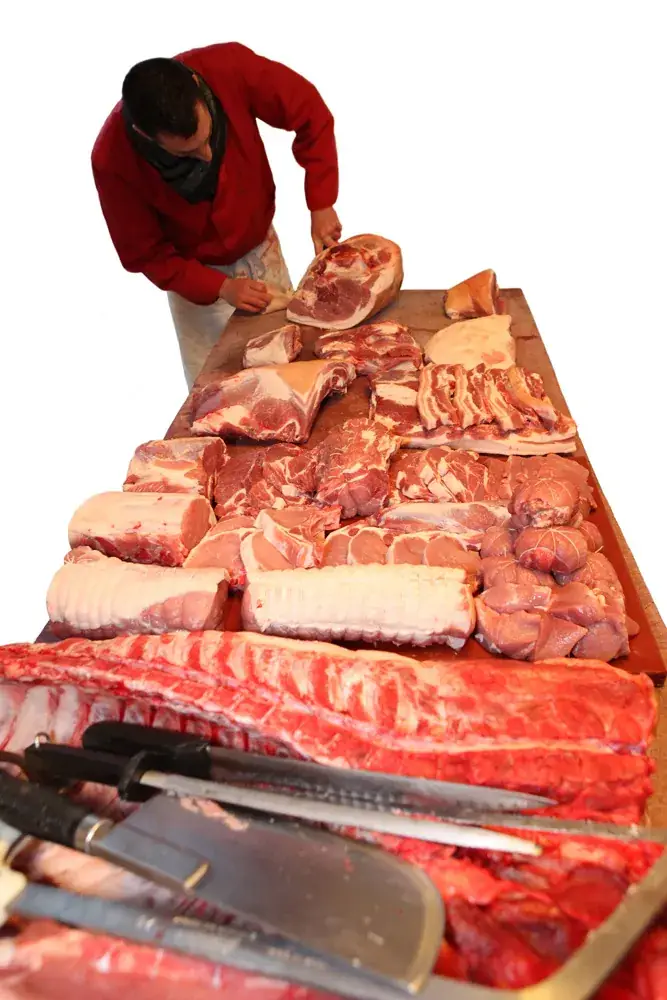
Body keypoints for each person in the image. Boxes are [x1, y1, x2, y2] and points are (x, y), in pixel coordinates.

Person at [91, 42, 342, 388]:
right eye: (188, 153)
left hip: (260, 249)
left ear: (196, 85)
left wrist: (321, 202)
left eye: (207, 138)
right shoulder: (112, 159)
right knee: (217, 396)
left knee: (291, 381)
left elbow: (309, 113)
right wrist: (220, 287)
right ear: (145, 135)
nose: (207, 155)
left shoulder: (229, 67)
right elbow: (145, 254)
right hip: (195, 279)